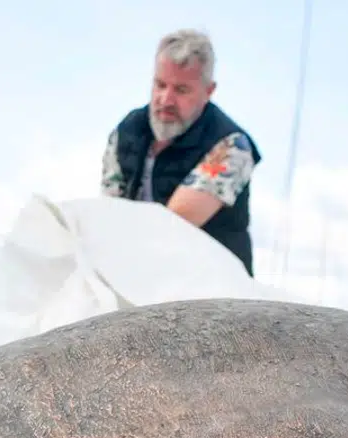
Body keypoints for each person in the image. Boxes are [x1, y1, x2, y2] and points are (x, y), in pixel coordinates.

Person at [102, 29, 262, 275]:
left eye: (181, 90)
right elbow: (109, 215)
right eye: (160, 84)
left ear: (208, 91)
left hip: (214, 289)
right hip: (136, 276)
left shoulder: (232, 146)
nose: (166, 99)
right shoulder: (126, 133)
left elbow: (174, 226)